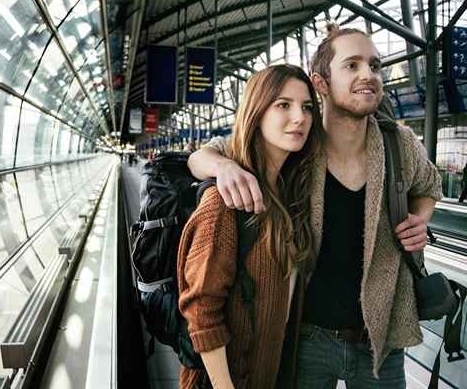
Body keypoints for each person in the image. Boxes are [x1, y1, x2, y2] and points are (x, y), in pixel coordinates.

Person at [187, 23, 442, 388]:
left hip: (382, 340)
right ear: (320, 81)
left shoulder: (397, 143)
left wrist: (419, 217)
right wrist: (223, 167)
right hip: (306, 338)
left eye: (375, 65)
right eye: (352, 65)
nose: (368, 75)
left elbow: (429, 184)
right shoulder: (296, 143)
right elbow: (203, 155)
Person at [178, 64, 324, 389]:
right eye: (283, 105)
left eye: (307, 107)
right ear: (257, 112)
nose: (300, 117)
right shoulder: (226, 202)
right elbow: (201, 309)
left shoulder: (290, 198)